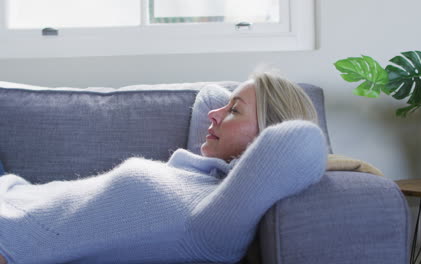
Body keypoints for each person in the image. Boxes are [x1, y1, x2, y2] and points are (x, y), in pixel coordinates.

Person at [0, 72, 327, 264]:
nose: (214, 114)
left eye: (233, 111)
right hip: (13, 192)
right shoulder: (204, 177)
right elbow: (209, 96)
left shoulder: (216, 223)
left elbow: (302, 139)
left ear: (266, 135)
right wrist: (240, 108)